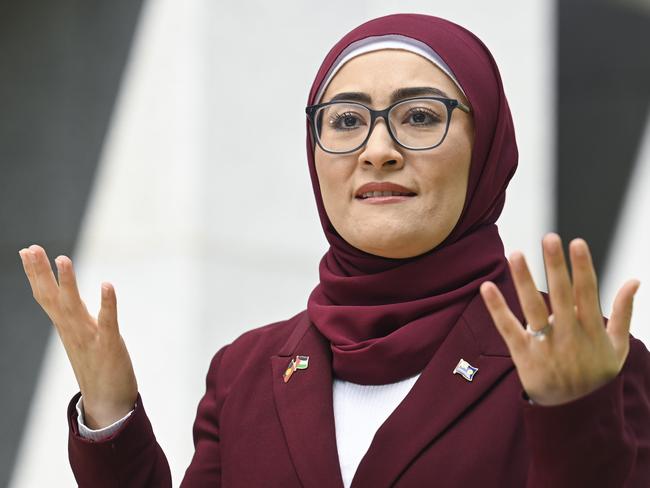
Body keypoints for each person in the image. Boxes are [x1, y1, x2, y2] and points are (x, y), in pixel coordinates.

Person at [18, 12, 649, 488]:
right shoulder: (245, 373)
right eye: (346, 120)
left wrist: (574, 415)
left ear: (488, 149)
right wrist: (110, 415)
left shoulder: (587, 358)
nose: (378, 149)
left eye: (420, 117)